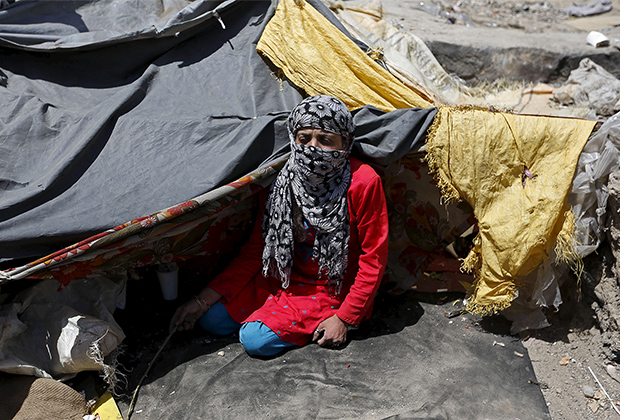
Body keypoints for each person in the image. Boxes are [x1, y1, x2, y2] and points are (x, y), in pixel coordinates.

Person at [170, 95, 388, 357]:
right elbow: (257, 249)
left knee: (254, 340)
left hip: (332, 289)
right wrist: (202, 299)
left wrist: (345, 318)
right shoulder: (282, 182)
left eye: (326, 140)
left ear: (346, 143)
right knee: (210, 319)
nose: (312, 148)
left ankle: (312, 319)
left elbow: (373, 258)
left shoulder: (362, 181)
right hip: (282, 279)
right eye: (304, 138)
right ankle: (274, 316)